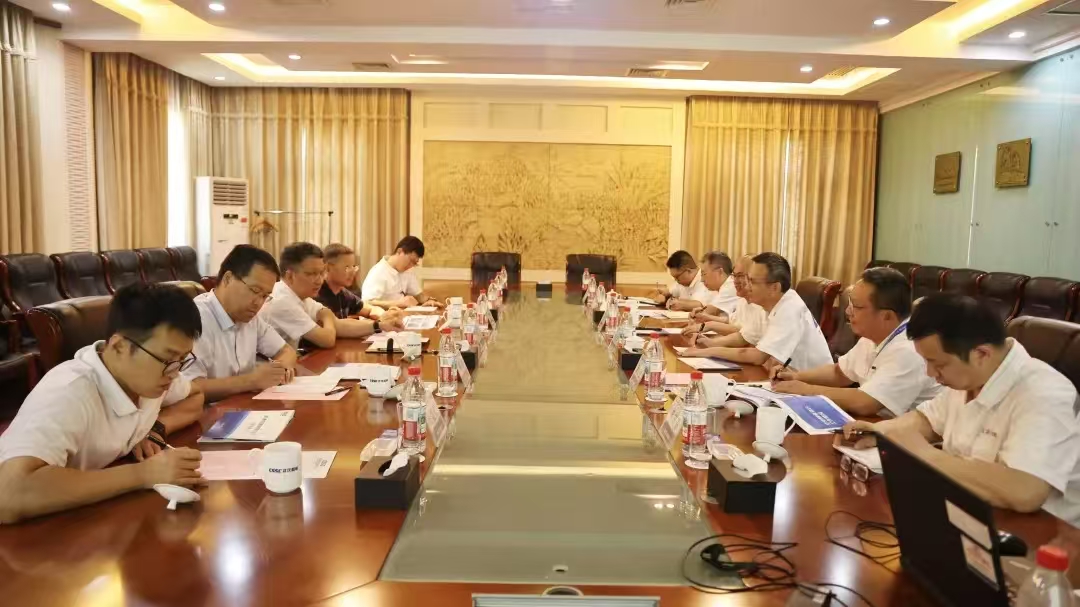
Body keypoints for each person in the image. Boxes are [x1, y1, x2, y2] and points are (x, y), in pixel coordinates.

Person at [841, 293, 1080, 523]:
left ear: (981, 354)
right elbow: (927, 420)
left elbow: (1026, 491)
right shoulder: (969, 376)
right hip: (967, 512)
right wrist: (883, 432)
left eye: (937, 364)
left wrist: (925, 455)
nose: (931, 373)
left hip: (1038, 533)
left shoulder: (1044, 393)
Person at [0, 283, 206, 523]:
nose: (174, 373)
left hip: (93, 517)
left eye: (182, 360)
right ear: (119, 347)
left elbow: (196, 396)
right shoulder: (69, 391)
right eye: (168, 359)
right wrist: (145, 473)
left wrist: (154, 429)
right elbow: (9, 494)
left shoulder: (150, 378)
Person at [771, 267, 941, 417]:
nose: (847, 311)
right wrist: (796, 376)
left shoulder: (909, 349)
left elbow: (866, 402)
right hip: (878, 424)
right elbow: (840, 373)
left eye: (857, 307)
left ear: (886, 316)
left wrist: (806, 390)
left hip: (907, 435)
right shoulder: (873, 336)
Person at [182, 244, 298, 402]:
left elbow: (286, 351)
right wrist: (251, 381)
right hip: (208, 413)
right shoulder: (195, 319)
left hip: (244, 407)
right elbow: (190, 387)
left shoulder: (250, 317)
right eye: (255, 291)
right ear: (228, 279)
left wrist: (280, 370)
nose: (258, 303)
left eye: (265, 296)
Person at [681, 252, 832, 372]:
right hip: (784, 378)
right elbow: (744, 337)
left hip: (811, 387)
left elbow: (757, 357)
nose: (747, 286)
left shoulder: (789, 308)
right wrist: (709, 344)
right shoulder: (767, 304)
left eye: (752, 281)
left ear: (774, 287)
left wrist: (707, 352)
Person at [260, 242, 404, 349]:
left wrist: (380, 325)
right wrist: (327, 316)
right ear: (290, 276)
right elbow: (327, 339)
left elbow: (339, 325)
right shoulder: (282, 301)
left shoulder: (302, 297)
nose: (319, 280)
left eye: (321, 273)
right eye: (311, 274)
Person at [682, 254, 767, 344]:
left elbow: (745, 337)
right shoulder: (743, 300)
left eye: (740, 276)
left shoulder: (760, 303)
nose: (735, 281)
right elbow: (732, 322)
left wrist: (710, 331)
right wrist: (706, 320)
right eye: (734, 275)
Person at [360, 236, 444, 310]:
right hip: (382, 318)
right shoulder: (378, 271)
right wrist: (398, 303)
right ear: (399, 251)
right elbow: (367, 303)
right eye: (410, 261)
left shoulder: (407, 271)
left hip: (402, 316)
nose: (411, 266)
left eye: (414, 263)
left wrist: (429, 301)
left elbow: (418, 295)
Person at [316, 243, 396, 321]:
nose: (353, 272)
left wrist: (386, 316)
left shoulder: (343, 294)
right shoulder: (317, 294)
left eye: (354, 266)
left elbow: (370, 309)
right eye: (347, 267)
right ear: (327, 268)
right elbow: (337, 326)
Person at [687, 250, 740, 323]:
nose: (702, 280)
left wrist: (699, 313)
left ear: (719, 272)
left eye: (704, 274)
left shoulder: (730, 285)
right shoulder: (719, 287)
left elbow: (710, 311)